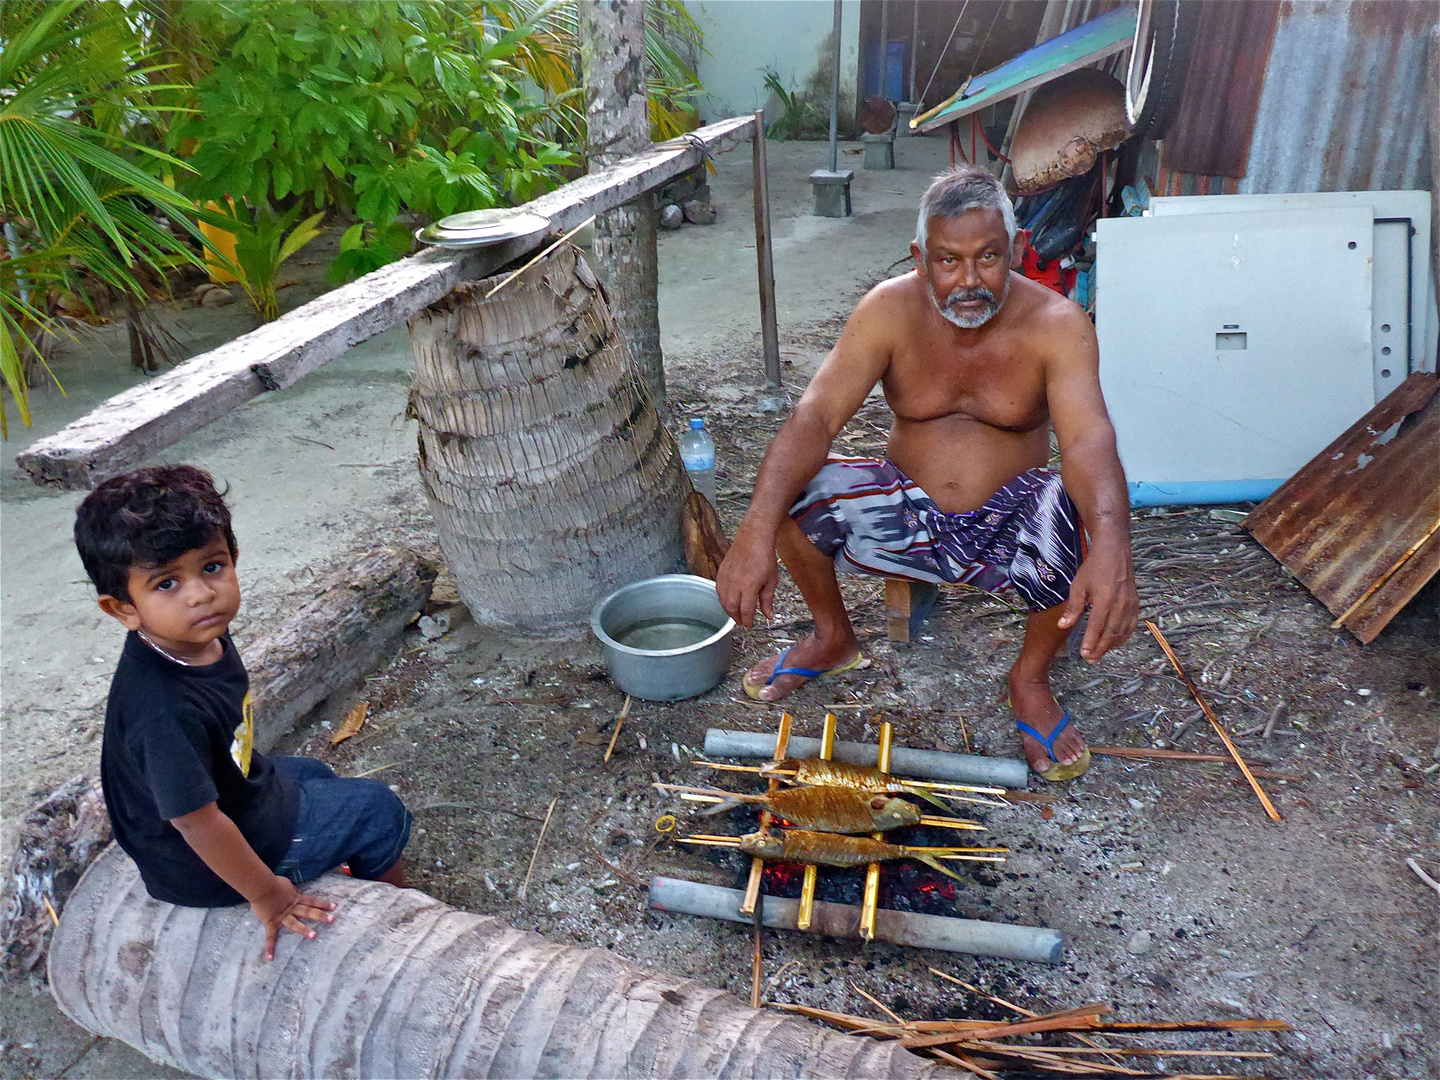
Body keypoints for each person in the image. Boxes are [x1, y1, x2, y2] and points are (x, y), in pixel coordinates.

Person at [716, 167, 1138, 781]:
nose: (969, 280)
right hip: (905, 516)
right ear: (919, 258)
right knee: (790, 494)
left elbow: (1087, 439)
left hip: (1010, 528)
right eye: (948, 260)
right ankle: (834, 638)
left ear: (1016, 251)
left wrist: (1114, 545)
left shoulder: (1057, 324)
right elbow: (817, 415)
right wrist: (752, 531)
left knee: (1071, 510)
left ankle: (1030, 677)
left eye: (988, 257)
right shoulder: (888, 310)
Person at [75, 465, 411, 960]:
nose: (200, 594)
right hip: (195, 863)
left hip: (233, 794)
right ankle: (402, 916)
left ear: (232, 557)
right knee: (378, 810)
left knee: (315, 771)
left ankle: (332, 853)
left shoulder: (193, 632)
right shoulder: (162, 711)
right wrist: (268, 895)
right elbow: (197, 824)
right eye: (166, 583)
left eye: (211, 568)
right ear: (123, 609)